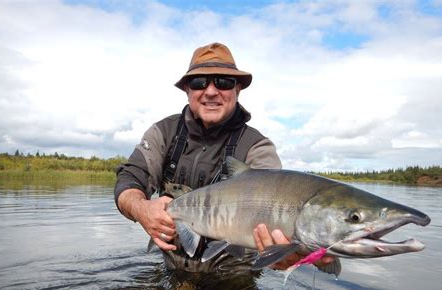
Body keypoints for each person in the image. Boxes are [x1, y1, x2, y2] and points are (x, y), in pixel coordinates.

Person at [115, 42, 333, 272]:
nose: (210, 91)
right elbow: (130, 178)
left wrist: (285, 254)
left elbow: (279, 206)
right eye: (199, 82)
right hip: (173, 267)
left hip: (234, 277)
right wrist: (142, 209)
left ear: (237, 89)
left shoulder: (258, 148)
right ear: (187, 90)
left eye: (223, 82)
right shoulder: (163, 133)